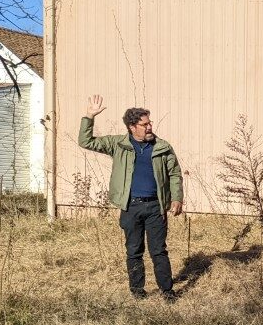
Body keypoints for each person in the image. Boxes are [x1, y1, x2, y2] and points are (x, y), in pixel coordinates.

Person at [79, 96, 184, 300]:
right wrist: (89, 116)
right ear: (132, 127)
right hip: (130, 207)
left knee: (158, 251)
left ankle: (167, 291)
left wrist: (176, 198)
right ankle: (137, 291)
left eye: (150, 123)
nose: (149, 127)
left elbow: (174, 174)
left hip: (156, 207)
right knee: (134, 250)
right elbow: (86, 141)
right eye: (144, 124)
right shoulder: (118, 144)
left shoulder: (163, 147)